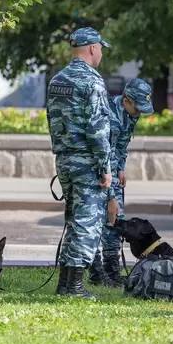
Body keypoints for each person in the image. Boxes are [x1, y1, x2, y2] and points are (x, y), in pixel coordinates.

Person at [46, 27, 113, 300]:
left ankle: (65, 285)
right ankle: (73, 288)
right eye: (101, 49)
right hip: (86, 162)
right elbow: (97, 130)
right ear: (93, 48)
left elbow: (53, 121)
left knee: (74, 221)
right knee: (87, 224)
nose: (101, 54)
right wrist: (105, 167)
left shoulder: (57, 80)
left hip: (64, 160)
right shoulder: (92, 82)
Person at [87, 78, 154, 287]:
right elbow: (102, 153)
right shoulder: (107, 114)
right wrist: (110, 196)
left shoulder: (131, 114)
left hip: (113, 172)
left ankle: (112, 272)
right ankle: (96, 273)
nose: (140, 113)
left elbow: (121, 146)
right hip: (98, 172)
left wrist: (121, 168)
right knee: (98, 222)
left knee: (117, 222)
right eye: (137, 108)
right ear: (126, 100)